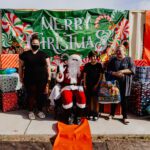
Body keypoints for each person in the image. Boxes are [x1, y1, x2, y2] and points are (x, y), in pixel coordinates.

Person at [19, 33, 51, 120]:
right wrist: (20, 77)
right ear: (31, 43)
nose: (35, 45)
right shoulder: (25, 55)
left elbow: (48, 66)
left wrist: (49, 77)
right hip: (29, 79)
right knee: (31, 95)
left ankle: (40, 110)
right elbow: (20, 67)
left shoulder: (44, 54)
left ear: (39, 44)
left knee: (40, 95)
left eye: (37, 43)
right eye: (33, 43)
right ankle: (31, 111)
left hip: (42, 79)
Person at [106, 45, 135, 125]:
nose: (118, 52)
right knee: (114, 98)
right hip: (114, 83)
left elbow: (132, 70)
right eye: (117, 50)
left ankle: (125, 117)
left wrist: (121, 71)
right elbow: (108, 71)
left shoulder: (129, 59)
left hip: (125, 83)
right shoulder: (113, 60)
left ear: (124, 51)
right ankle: (112, 114)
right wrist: (115, 73)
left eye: (120, 50)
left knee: (124, 100)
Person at [57, 54, 86, 125]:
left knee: (82, 98)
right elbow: (60, 79)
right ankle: (70, 115)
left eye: (76, 60)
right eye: (73, 60)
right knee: (66, 98)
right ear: (70, 60)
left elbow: (86, 76)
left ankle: (78, 116)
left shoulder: (81, 69)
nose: (74, 62)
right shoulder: (64, 68)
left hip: (78, 86)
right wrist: (60, 74)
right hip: (67, 86)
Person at [83, 51, 104, 121]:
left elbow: (101, 76)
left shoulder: (99, 65)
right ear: (89, 57)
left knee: (96, 99)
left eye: (94, 56)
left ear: (96, 57)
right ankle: (91, 113)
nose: (93, 58)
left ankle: (96, 113)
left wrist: (97, 84)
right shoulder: (87, 65)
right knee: (91, 98)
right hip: (89, 84)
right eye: (92, 56)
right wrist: (84, 84)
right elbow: (85, 75)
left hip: (97, 84)